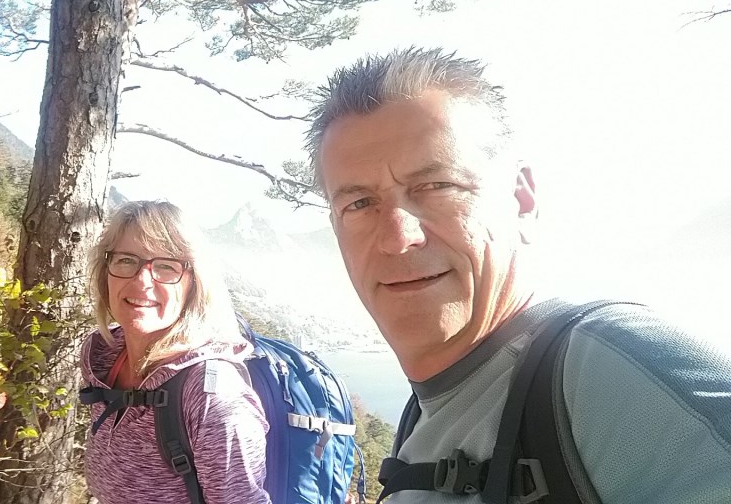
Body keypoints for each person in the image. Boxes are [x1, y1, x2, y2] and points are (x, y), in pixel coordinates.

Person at [305, 47, 731, 503]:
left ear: (522, 201)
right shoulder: (426, 414)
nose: (398, 237)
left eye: (437, 186)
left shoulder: (611, 373)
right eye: (359, 204)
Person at [79, 200, 271, 504]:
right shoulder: (102, 359)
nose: (141, 281)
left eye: (166, 266)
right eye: (126, 260)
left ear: (194, 284)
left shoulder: (212, 397)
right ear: (106, 273)